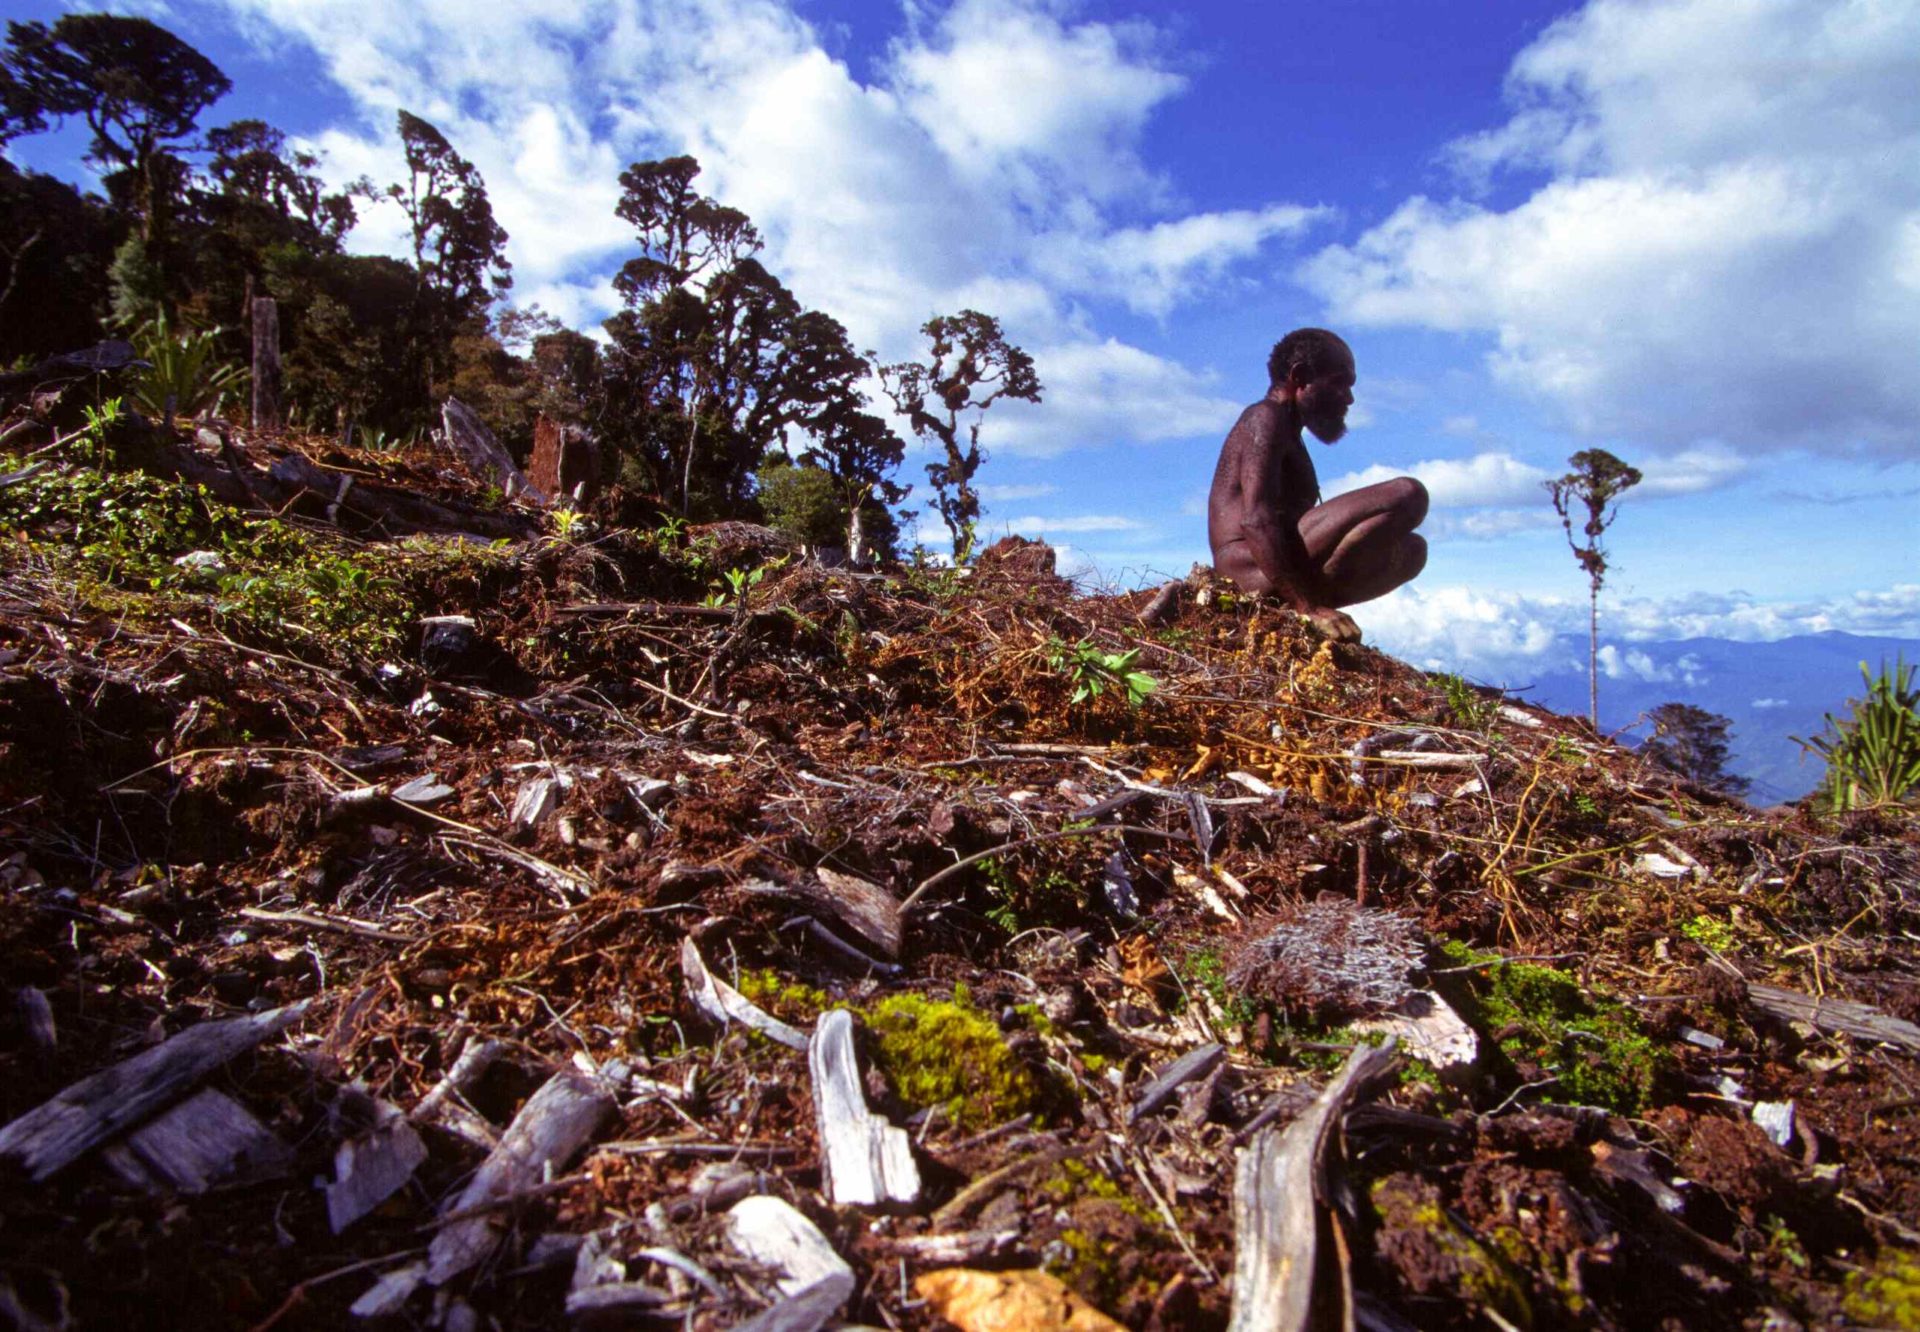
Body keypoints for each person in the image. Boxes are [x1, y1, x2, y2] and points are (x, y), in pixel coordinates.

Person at [1207, 328, 1427, 643]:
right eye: (1340, 383)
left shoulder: (1289, 432)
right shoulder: (1264, 418)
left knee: (1412, 552)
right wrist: (1306, 607)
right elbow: (1256, 519)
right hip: (1247, 570)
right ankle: (1303, 606)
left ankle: (1302, 605)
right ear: (1300, 378)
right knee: (1409, 493)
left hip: (1276, 570)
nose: (1349, 398)